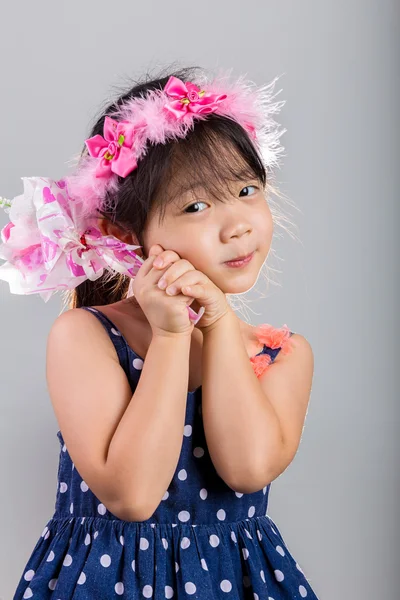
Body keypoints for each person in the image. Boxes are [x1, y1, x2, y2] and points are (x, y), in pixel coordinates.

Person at [1, 64, 318, 599]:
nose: (237, 222)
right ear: (127, 234)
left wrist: (215, 322)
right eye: (196, 205)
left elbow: (246, 469)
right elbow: (132, 495)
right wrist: (171, 338)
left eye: (246, 189)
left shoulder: (279, 355)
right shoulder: (87, 336)